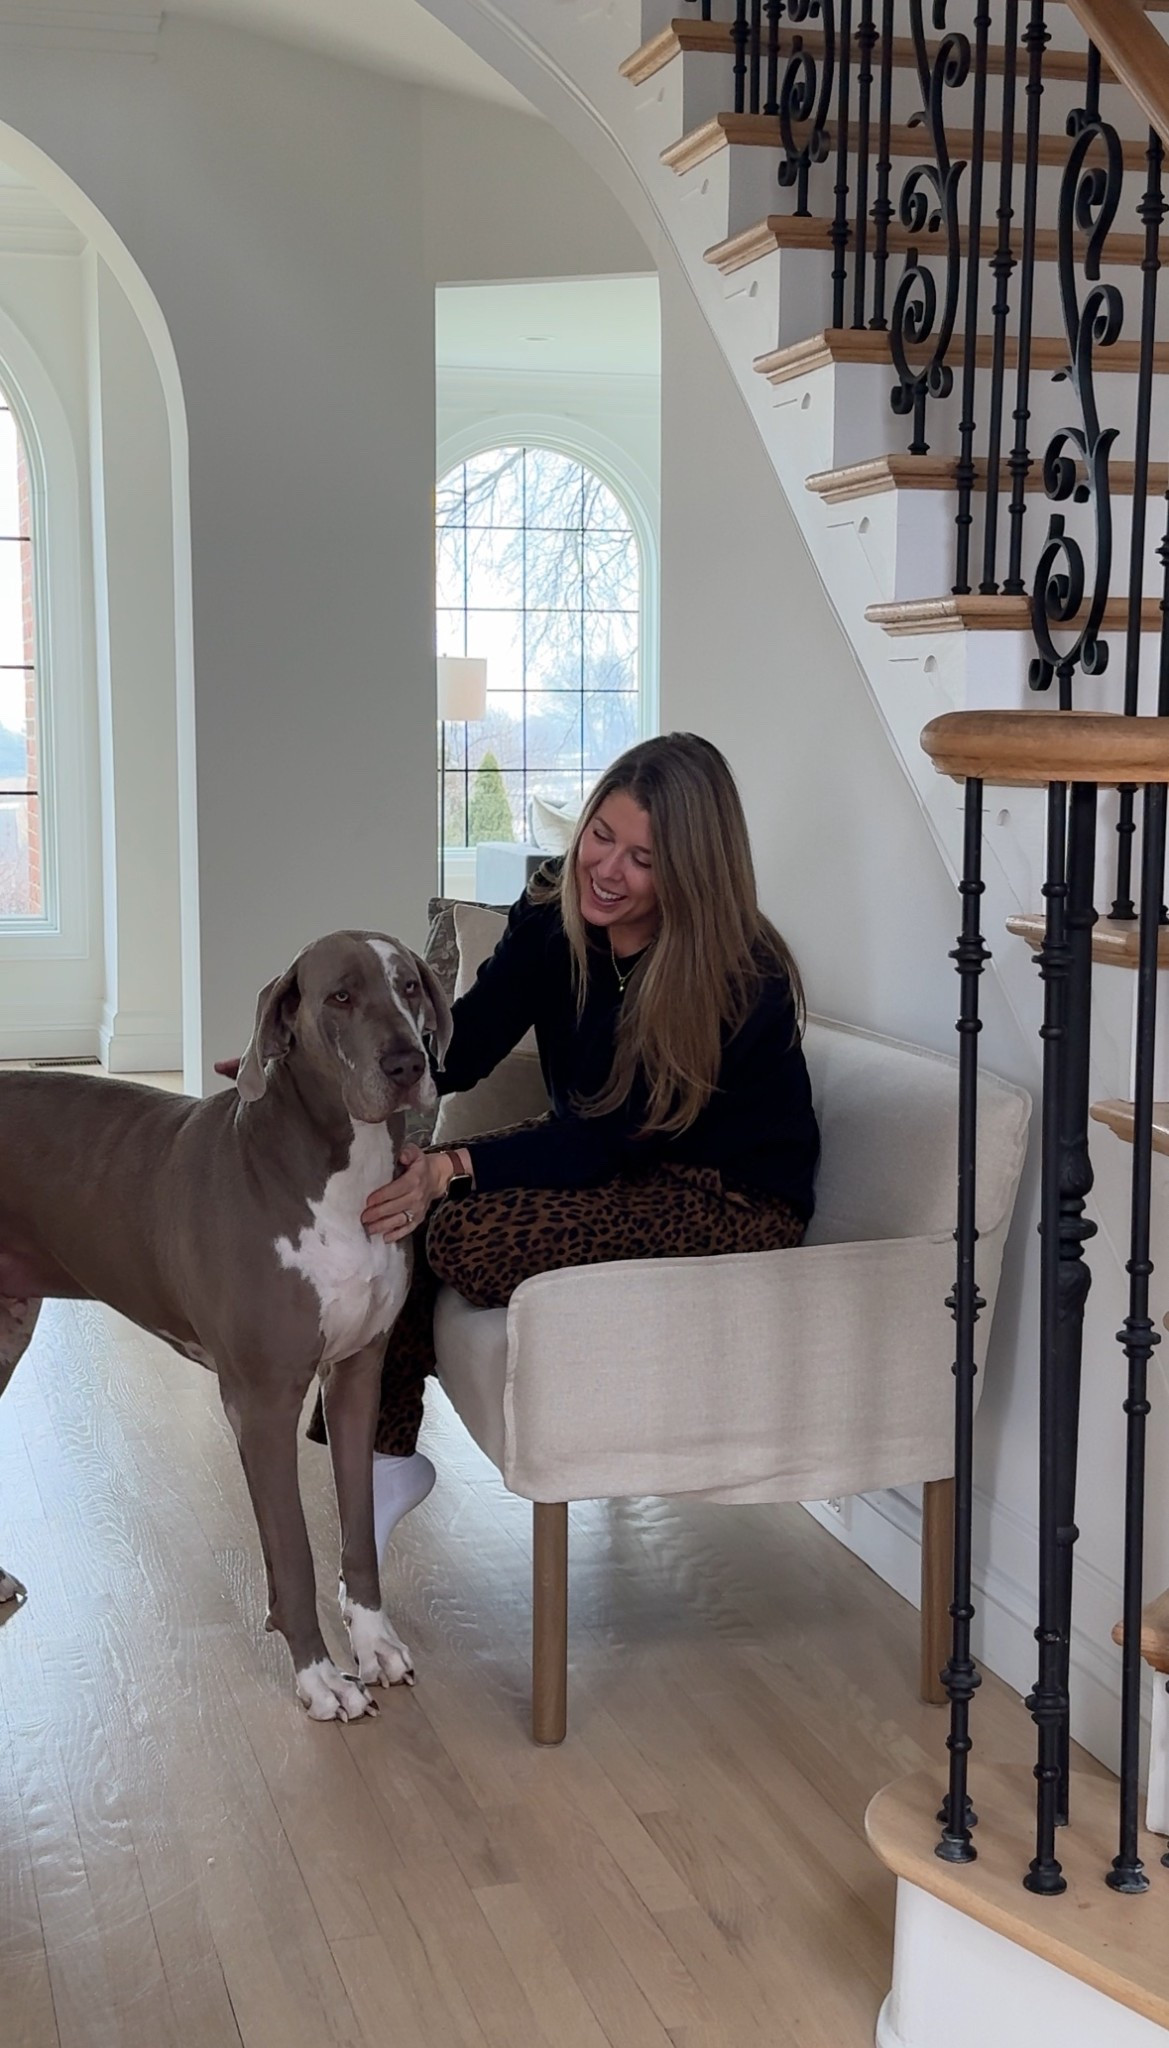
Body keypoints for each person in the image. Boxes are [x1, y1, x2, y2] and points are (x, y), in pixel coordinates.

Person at [348, 731, 821, 1560]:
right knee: (394, 1206)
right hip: (613, 1158)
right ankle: (388, 1457)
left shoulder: (737, 975)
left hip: (728, 1198)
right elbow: (463, 1047)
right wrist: (332, 1069)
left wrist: (451, 1169)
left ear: (692, 871)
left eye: (643, 858)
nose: (607, 869)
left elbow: (608, 1140)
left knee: (452, 1225)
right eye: (601, 835)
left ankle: (385, 1462)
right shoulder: (552, 918)